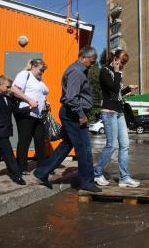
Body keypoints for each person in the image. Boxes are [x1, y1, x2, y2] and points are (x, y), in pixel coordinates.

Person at [34, 46, 102, 192]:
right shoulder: (77, 72)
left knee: (66, 145)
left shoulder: (77, 70)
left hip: (71, 113)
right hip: (74, 114)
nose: (92, 64)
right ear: (82, 58)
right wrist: (81, 115)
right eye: (91, 61)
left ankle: (42, 171)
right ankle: (87, 182)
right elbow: (71, 98)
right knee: (84, 149)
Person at [94, 50, 140, 188]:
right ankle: (96, 173)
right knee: (112, 145)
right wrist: (117, 71)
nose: (122, 65)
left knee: (125, 144)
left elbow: (117, 94)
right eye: (121, 61)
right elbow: (113, 89)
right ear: (114, 58)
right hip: (109, 113)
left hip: (119, 112)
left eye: (124, 63)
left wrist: (127, 89)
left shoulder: (115, 72)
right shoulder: (105, 71)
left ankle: (124, 177)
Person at [11, 59, 49, 174]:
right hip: (27, 113)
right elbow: (14, 89)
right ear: (33, 66)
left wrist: (45, 102)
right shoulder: (25, 74)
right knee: (25, 140)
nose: (42, 72)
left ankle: (42, 167)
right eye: (41, 70)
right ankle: (21, 167)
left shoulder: (39, 79)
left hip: (38, 115)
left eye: (43, 71)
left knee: (40, 141)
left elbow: (40, 94)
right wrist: (29, 100)